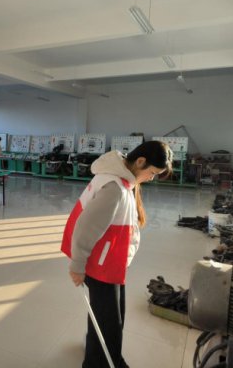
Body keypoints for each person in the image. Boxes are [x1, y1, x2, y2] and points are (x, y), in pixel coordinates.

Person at [60, 141, 173, 368]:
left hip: (109, 262)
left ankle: (101, 355)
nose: (151, 178)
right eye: (152, 173)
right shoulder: (114, 187)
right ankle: (103, 363)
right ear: (140, 161)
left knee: (106, 315)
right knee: (109, 323)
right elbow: (86, 227)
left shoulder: (120, 179)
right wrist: (77, 265)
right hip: (100, 265)